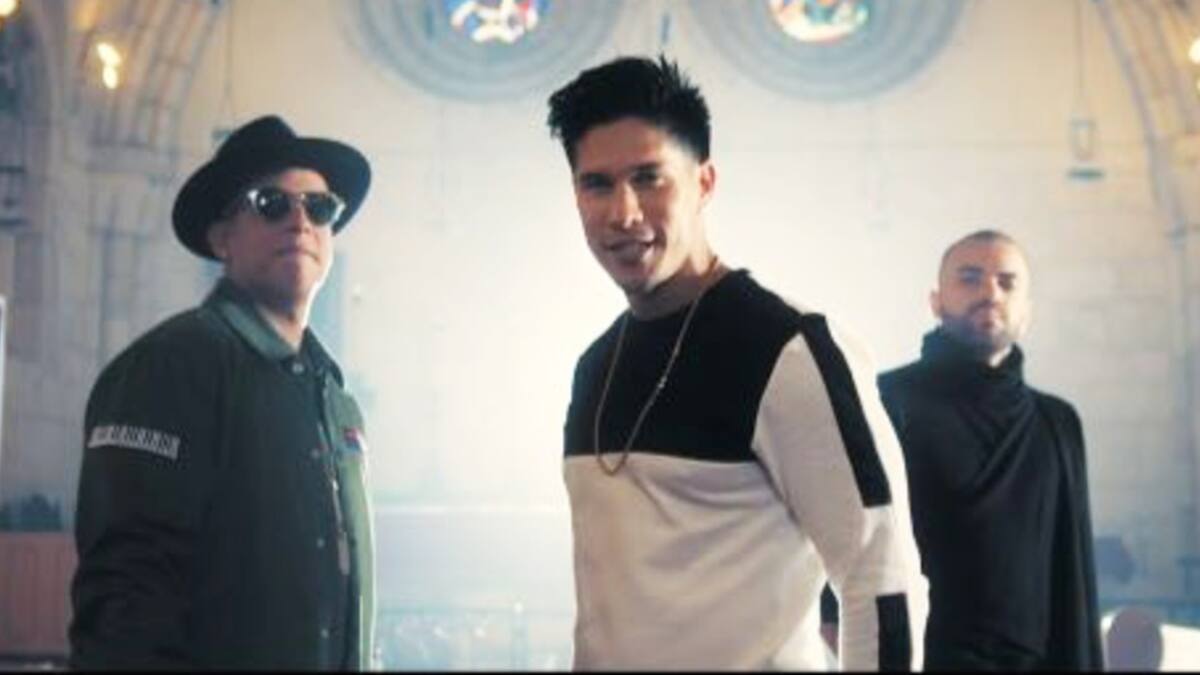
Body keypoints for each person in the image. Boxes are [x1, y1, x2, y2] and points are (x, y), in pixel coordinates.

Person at [547, 55, 927, 670]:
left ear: (704, 183)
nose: (624, 213)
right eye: (598, 184)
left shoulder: (788, 349)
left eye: (649, 178)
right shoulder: (596, 365)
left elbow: (882, 578)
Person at [69, 115, 376, 669]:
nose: (300, 221)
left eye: (319, 207)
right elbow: (126, 603)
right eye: (271, 204)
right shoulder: (171, 365)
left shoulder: (329, 392)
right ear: (222, 238)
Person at [826, 229, 1104, 670]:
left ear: (1026, 312)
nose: (990, 292)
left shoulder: (1058, 422)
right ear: (936, 301)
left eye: (1006, 282)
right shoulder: (884, 401)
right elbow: (845, 548)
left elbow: (1074, 577)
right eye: (970, 278)